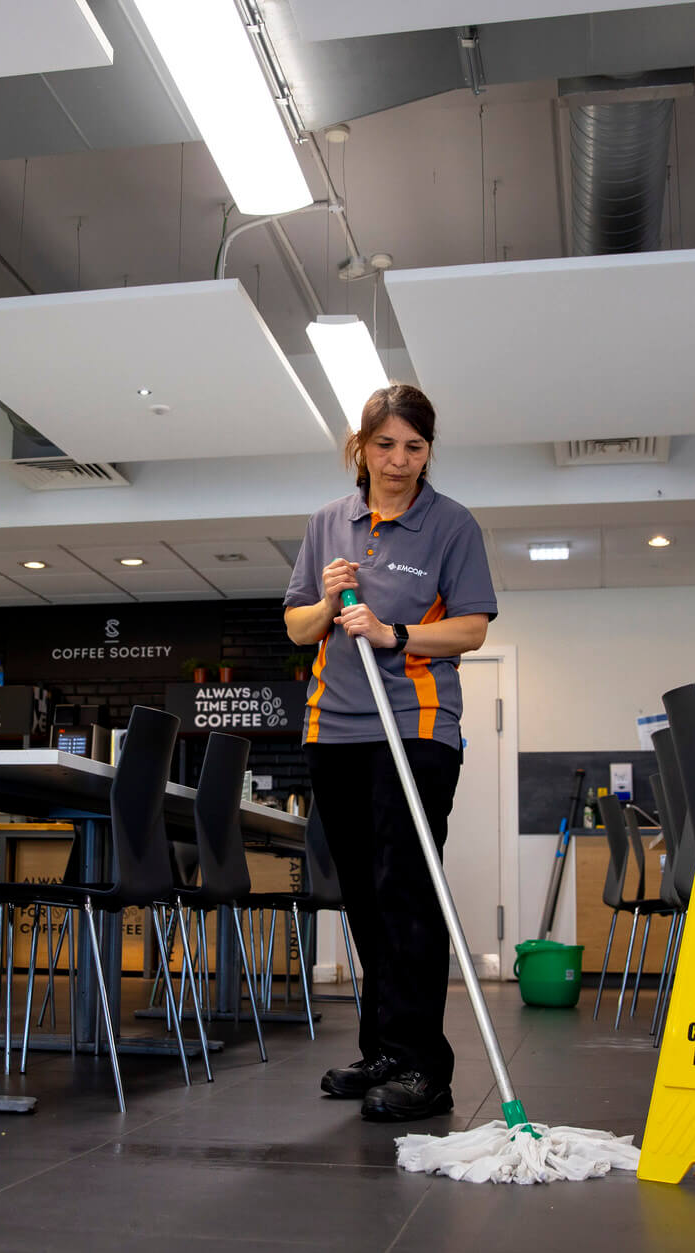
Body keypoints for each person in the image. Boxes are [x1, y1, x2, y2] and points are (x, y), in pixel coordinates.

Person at [282, 384, 497, 1122]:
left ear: (428, 451)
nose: (399, 460)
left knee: (407, 888)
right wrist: (328, 600)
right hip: (334, 727)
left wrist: (394, 635)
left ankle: (422, 1068)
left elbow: (471, 629)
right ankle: (382, 1049)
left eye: (414, 446)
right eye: (385, 445)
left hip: (416, 725)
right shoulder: (325, 526)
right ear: (360, 448)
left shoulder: (451, 526)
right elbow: (296, 626)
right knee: (365, 893)